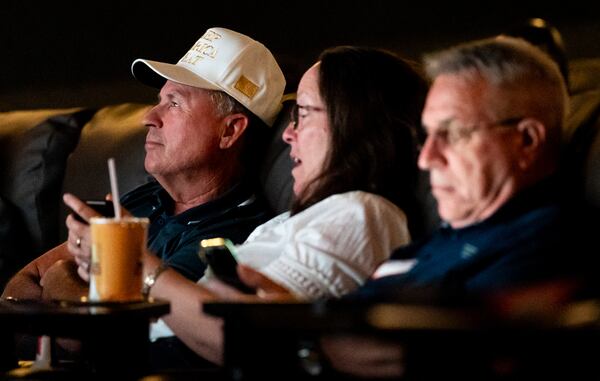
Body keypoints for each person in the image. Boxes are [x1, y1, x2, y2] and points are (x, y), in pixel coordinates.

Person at [110, 45, 427, 369]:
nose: (288, 135)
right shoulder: (288, 222)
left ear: (353, 123)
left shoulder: (363, 212)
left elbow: (248, 336)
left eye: (303, 114)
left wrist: (136, 262)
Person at [317, 36, 599, 379]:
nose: (426, 158)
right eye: (428, 135)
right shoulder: (433, 242)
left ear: (526, 140)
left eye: (452, 133)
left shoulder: (549, 247)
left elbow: (426, 354)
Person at [1, 27, 286, 299]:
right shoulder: (148, 198)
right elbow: (22, 283)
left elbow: (133, 329)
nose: (148, 118)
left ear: (229, 131)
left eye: (174, 103)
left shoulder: (229, 237)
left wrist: (60, 275)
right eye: (159, 100)